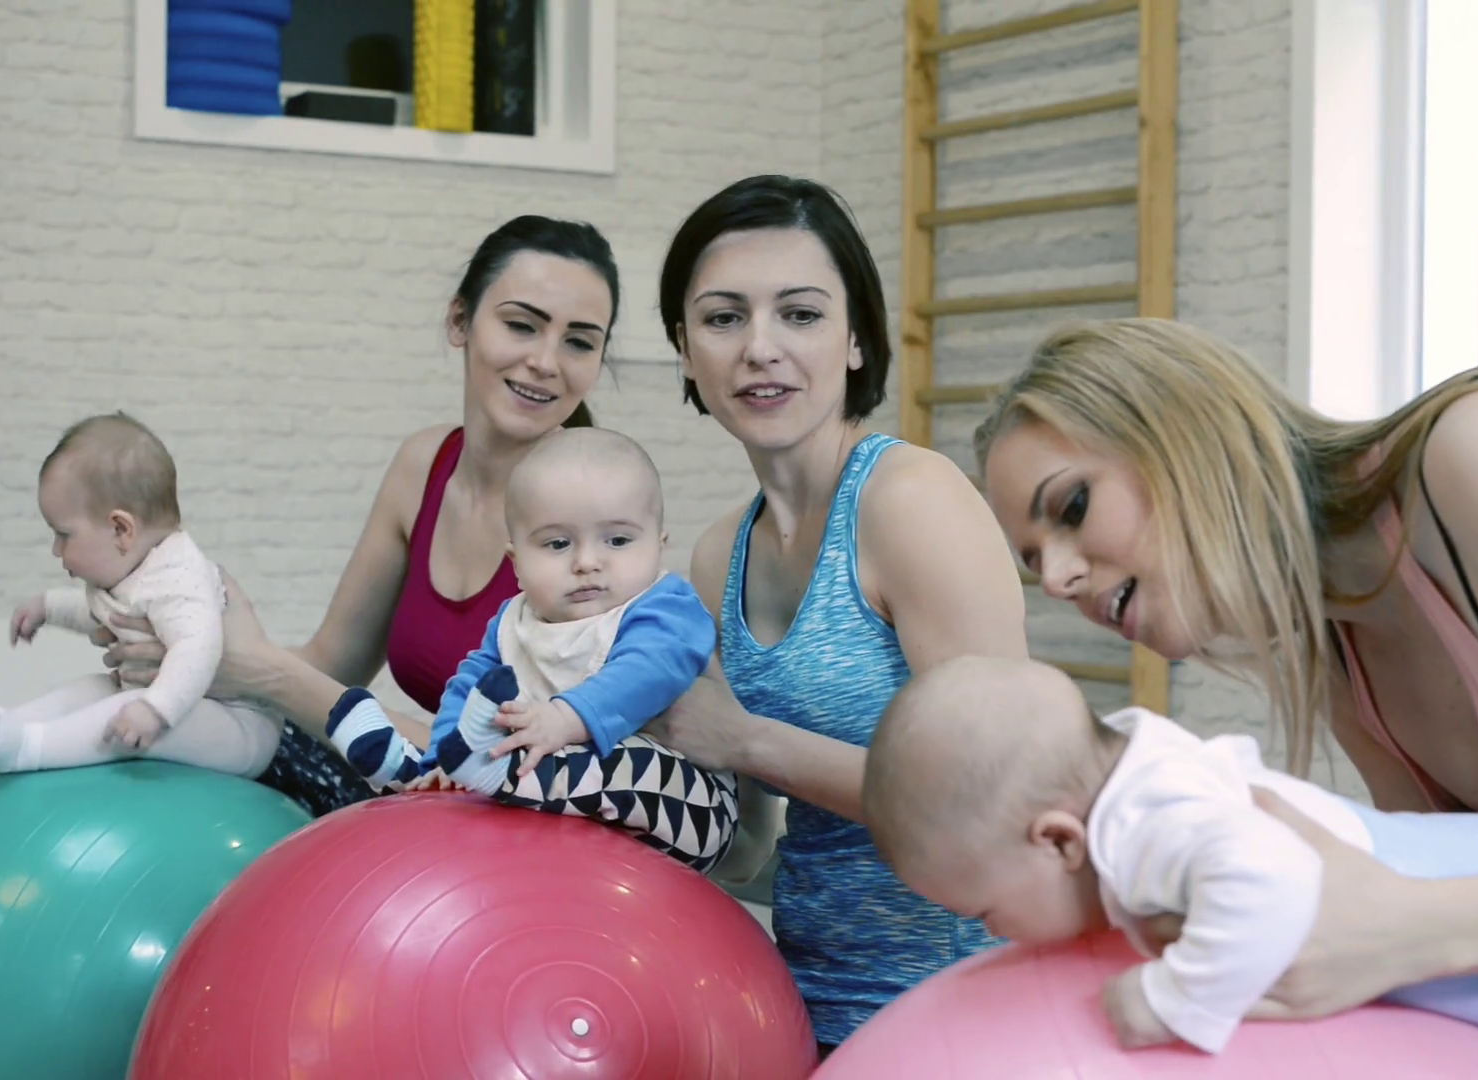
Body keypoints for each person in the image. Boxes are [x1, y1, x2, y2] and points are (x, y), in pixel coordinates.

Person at [973, 316, 1478, 1017]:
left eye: (1073, 507)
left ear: (1183, 435)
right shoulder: (1344, 660)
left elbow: (1410, 922)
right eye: (1035, 561)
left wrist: (1410, 926)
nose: (1056, 580)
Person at [633, 175, 1033, 1053]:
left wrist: (747, 741)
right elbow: (746, 843)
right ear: (685, 349)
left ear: (855, 339)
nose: (760, 349)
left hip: (955, 1013)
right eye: (724, 318)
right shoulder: (718, 555)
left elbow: (997, 798)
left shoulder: (908, 500)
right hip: (798, 1000)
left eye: (801, 315)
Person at [89, 214, 620, 817]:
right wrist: (192, 650)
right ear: (459, 321)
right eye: (522, 325)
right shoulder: (424, 465)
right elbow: (331, 666)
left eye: (579, 342)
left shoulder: (594, 512)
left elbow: (522, 765)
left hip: (524, 818)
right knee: (166, 730)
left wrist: (260, 671)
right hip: (429, 797)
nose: (547, 361)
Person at [862, 654, 1478, 1055]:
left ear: (1058, 840)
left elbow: (1271, 875)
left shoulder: (1145, 825)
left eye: (984, 912)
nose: (993, 933)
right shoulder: (1137, 772)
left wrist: (1174, 1000)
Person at [326, 426, 744, 872]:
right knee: (480, 771)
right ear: (517, 563)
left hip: (687, 808)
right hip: (564, 822)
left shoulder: (665, 607)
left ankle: (497, 773)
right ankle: (417, 774)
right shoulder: (514, 624)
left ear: (659, 545)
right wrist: (444, 756)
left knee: (627, 762)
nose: (587, 562)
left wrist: (566, 718)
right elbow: (470, 687)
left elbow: (649, 670)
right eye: (558, 544)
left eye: (618, 540)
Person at [0, 412, 282, 778]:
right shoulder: (135, 570)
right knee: (92, 689)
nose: (56, 550)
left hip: (240, 729)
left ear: (120, 529)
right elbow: (105, 615)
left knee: (126, 709)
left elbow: (197, 647)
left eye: (63, 535)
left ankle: (28, 750)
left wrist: (154, 709)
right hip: (188, 707)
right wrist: (47, 607)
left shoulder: (178, 577)